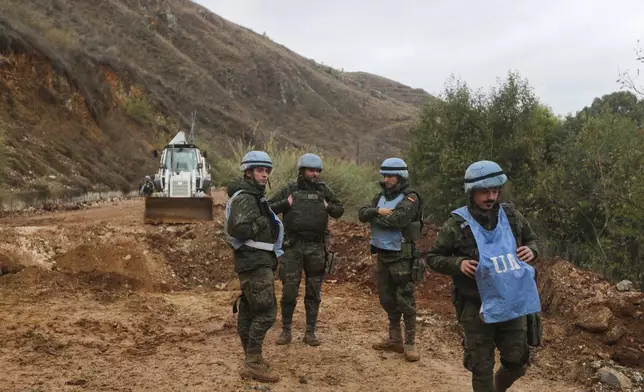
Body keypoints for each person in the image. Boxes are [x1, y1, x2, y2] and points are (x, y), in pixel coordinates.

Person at [426, 160, 541, 392]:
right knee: (481, 368)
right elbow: (433, 257)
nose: (491, 197)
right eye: (485, 192)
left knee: (518, 362)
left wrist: (533, 250)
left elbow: (533, 240)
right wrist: (458, 264)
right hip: (476, 306)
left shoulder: (512, 217)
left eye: (495, 191)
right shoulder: (456, 225)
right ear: (472, 192)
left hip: (512, 303)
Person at [269, 153, 344, 346]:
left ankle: (310, 332)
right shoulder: (290, 189)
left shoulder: (323, 189)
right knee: (289, 291)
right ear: (302, 171)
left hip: (316, 247)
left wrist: (328, 207)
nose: (315, 174)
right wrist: (286, 203)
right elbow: (268, 208)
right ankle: (286, 331)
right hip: (293, 247)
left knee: (314, 292)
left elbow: (339, 210)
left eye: (318, 171)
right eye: (311, 170)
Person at [358, 157, 425, 362]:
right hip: (383, 254)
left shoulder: (410, 197)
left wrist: (375, 216)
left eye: (390, 176)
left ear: (401, 177)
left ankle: (410, 344)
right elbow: (362, 214)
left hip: (402, 256)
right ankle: (394, 339)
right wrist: (378, 211)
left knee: (406, 299)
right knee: (387, 298)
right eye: (385, 176)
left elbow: (398, 219)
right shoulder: (380, 197)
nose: (386, 179)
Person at [225, 150, 284, 383]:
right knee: (267, 312)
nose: (265, 175)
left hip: (256, 260)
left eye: (267, 171)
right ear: (248, 172)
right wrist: (261, 222)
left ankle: (252, 358)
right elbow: (239, 229)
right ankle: (252, 361)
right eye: (260, 170)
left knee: (249, 310)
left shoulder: (254, 196)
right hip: (254, 262)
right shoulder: (246, 198)